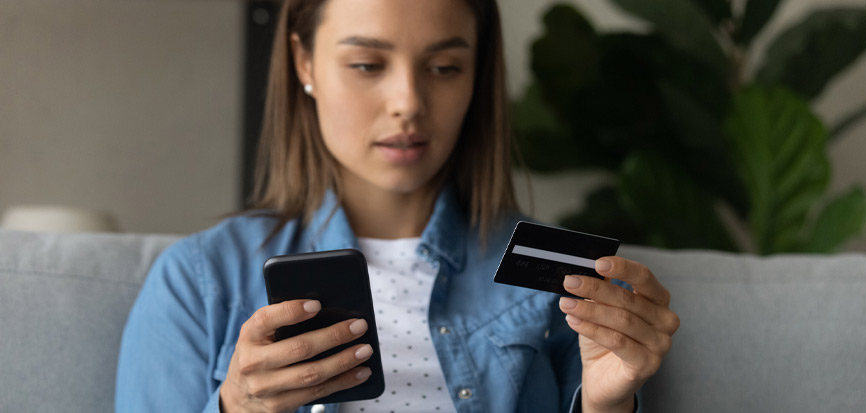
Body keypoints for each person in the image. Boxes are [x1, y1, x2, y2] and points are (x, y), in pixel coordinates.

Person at [114, 0, 680, 412]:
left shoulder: (559, 269)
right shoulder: (199, 280)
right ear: (304, 62)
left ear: (477, 74)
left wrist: (607, 406)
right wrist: (237, 406)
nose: (408, 102)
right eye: (367, 64)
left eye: (445, 67)